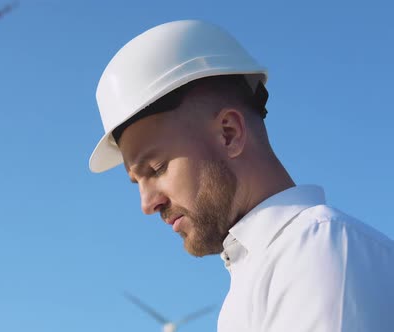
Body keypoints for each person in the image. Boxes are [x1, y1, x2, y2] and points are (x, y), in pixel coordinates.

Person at [88, 20, 394, 331]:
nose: (147, 203)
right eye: (136, 183)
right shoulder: (262, 276)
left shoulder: (318, 255)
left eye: (157, 168)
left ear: (229, 133)